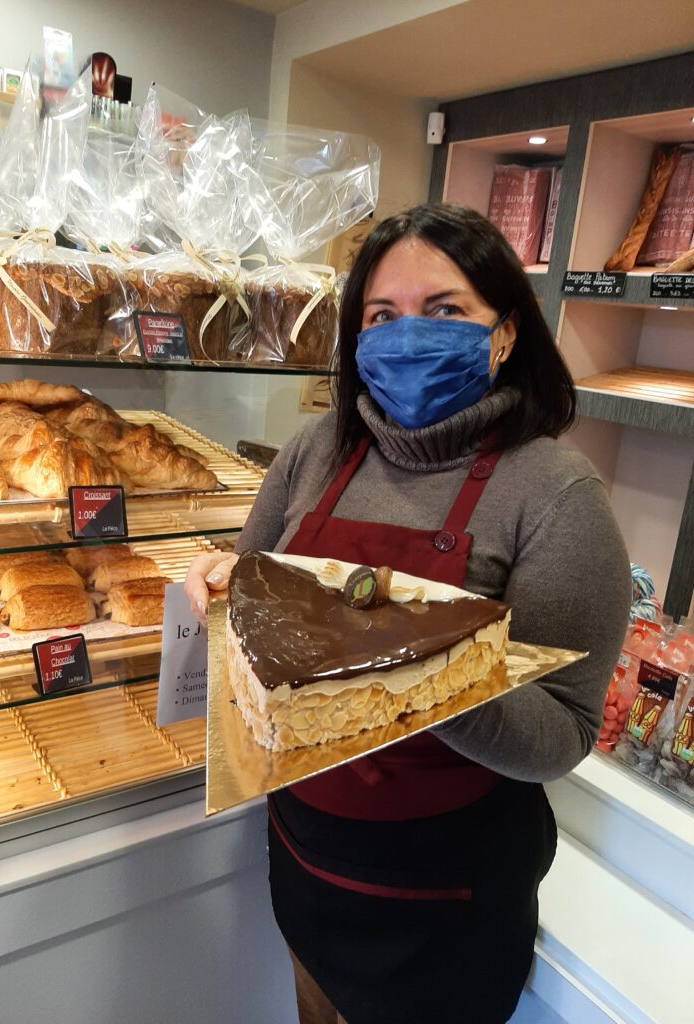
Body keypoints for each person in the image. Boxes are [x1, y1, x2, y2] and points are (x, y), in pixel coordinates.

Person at [185, 203, 630, 1024]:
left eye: (445, 310)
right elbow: (251, 603)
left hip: (446, 904)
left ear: (505, 334)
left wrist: (406, 660)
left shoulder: (556, 496)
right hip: (307, 860)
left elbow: (562, 733)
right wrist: (222, 592)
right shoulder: (314, 452)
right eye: (381, 316)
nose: (406, 335)